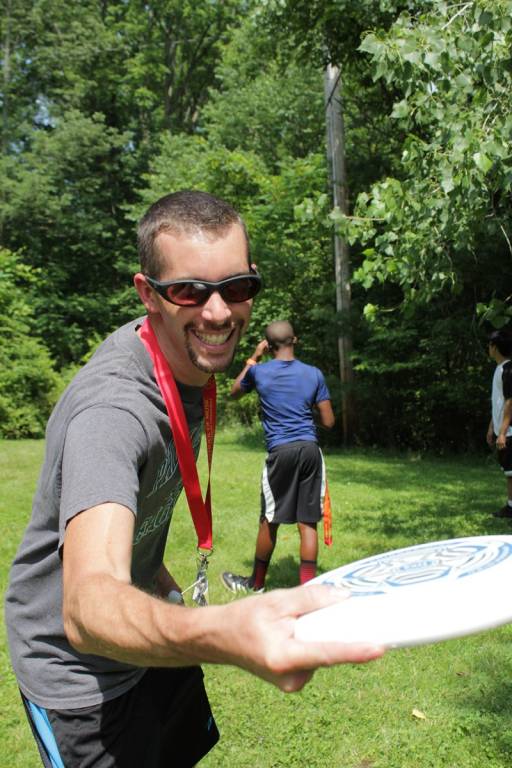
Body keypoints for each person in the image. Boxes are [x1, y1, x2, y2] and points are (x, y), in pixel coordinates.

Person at [5, 191, 384, 768]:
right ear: (147, 293)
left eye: (237, 287)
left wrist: (158, 577)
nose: (218, 312)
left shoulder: (188, 361)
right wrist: (220, 629)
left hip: (153, 631)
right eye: (189, 290)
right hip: (80, 679)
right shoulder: (112, 413)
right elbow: (84, 606)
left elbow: (140, 501)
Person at [222, 320, 335, 595]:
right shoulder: (314, 374)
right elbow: (329, 422)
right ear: (294, 340)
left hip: (281, 452)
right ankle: (308, 589)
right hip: (310, 450)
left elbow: (234, 393)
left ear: (268, 345)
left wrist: (254, 357)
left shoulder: (258, 372)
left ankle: (256, 584)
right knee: (307, 521)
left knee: (270, 520)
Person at [487, 328, 512, 518]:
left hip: (510, 431)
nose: (488, 348)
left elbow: (510, 401)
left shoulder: (508, 369)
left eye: (489, 345)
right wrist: (492, 428)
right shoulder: (500, 368)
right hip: (502, 430)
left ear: (494, 347)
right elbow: (498, 402)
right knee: (509, 472)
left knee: (511, 471)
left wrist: (502, 432)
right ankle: (510, 506)